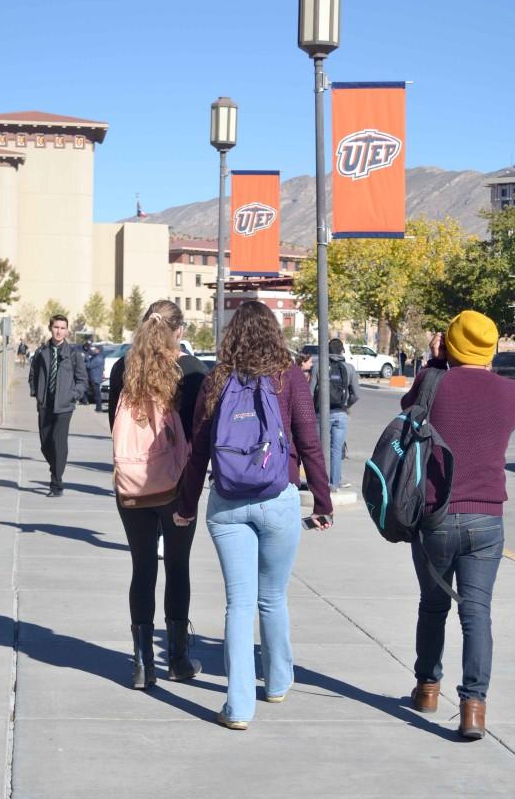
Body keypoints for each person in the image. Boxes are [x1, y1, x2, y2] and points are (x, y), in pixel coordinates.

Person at [175, 301, 333, 730]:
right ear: (273, 333)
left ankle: (239, 707)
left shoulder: (215, 381)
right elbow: (311, 442)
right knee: (273, 596)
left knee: (239, 603)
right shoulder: (289, 377)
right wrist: (322, 500)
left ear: (232, 335)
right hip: (278, 496)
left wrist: (185, 507)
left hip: (226, 503)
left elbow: (197, 452)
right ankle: (279, 681)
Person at [402, 310, 515, 739]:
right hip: (488, 519)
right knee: (477, 613)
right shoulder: (513, 394)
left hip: (435, 516)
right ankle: (473, 707)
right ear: (490, 348)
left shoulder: (433, 386)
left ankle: (427, 688)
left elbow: (408, 411)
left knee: (432, 606)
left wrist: (436, 364)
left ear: (449, 344)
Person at [108, 300, 207, 690]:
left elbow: (113, 427)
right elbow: (200, 435)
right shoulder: (193, 372)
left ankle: (141, 664)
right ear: (179, 330)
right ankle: (178, 660)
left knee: (142, 567)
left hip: (132, 485)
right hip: (176, 485)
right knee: (177, 566)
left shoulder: (122, 369)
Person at [29, 314, 89, 496]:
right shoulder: (41, 352)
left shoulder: (73, 354)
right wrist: (36, 393)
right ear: (50, 328)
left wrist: (73, 395)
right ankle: (55, 467)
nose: (59, 331)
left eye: (63, 328)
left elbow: (82, 380)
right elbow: (33, 374)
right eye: (56, 327)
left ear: (67, 331)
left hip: (64, 407)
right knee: (46, 445)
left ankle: (56, 483)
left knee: (58, 442)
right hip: (45, 405)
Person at [310, 338, 360, 490]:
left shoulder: (318, 367)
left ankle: (320, 483)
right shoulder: (349, 368)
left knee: (319, 450)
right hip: (340, 414)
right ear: (342, 351)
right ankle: (335, 483)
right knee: (336, 450)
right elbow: (356, 394)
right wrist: (345, 405)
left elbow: (311, 391)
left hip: (321, 415)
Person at [87, 345, 105, 411]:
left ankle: (99, 407)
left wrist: (87, 359)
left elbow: (89, 365)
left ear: (99, 350)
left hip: (95, 378)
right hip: (96, 377)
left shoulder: (98, 358)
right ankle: (98, 407)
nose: (94, 350)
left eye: (96, 349)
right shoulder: (99, 357)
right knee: (97, 393)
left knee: (97, 394)